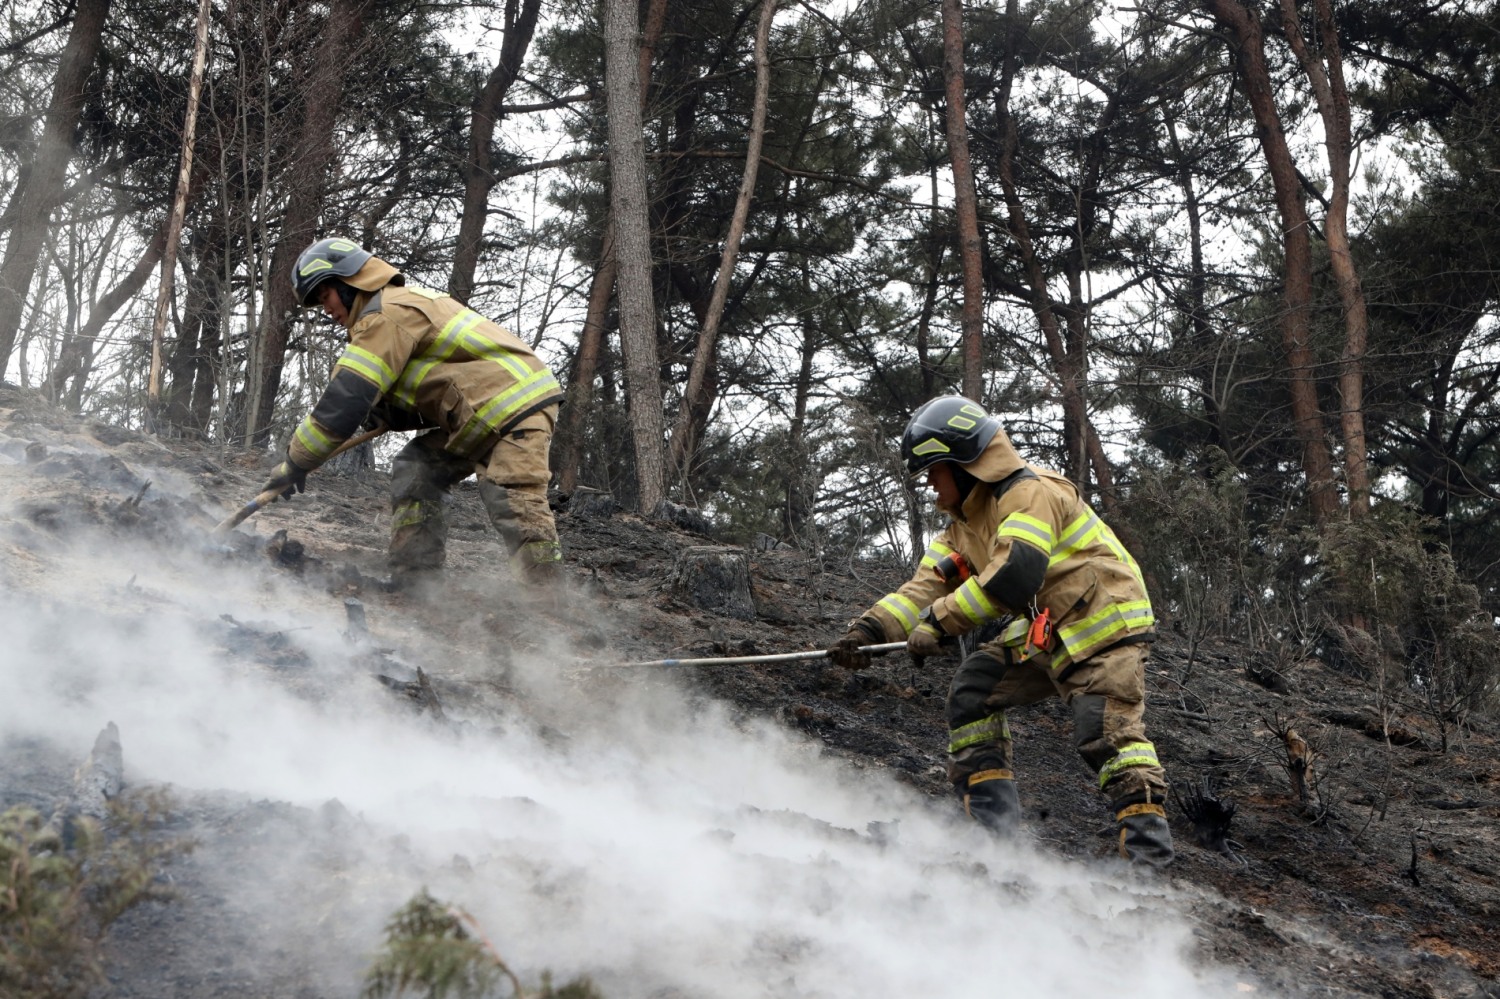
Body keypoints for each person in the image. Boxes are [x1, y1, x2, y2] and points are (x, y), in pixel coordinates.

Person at [826, 395, 1174, 866]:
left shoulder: (1028, 493)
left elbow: (1015, 574)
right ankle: (993, 846)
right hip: (1048, 629)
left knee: (1107, 736)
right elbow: (922, 588)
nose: (929, 483)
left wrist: (940, 623)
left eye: (933, 469)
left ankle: (1149, 868)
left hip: (1101, 623)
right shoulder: (964, 526)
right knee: (974, 691)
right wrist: (865, 633)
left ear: (964, 463)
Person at [258, 237, 565, 596]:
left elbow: (341, 405)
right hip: (479, 414)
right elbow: (425, 383)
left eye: (324, 296)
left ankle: (550, 606)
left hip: (514, 407)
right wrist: (385, 410)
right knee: (416, 469)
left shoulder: (386, 315)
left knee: (513, 497)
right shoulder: (390, 313)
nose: (325, 309)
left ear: (348, 282)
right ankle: (415, 583)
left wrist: (295, 463)